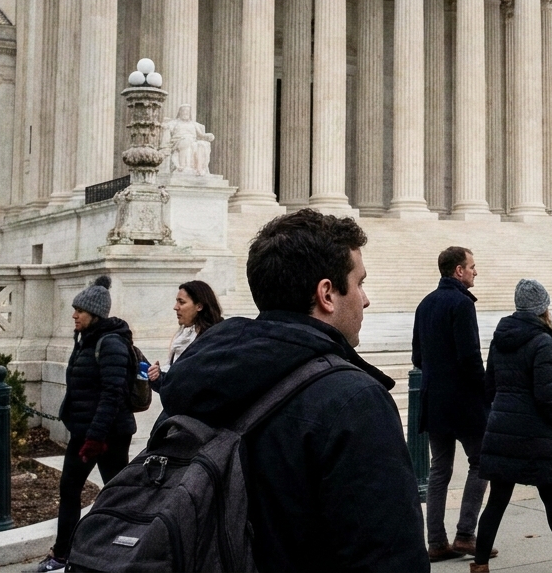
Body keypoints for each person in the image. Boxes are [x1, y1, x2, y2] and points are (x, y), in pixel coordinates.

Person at [158, 209, 428, 571]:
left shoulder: (198, 377)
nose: (365, 299)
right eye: (360, 282)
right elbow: (390, 557)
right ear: (327, 294)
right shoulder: (353, 400)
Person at [471, 280, 552, 573]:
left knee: (497, 499)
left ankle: (479, 566)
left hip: (502, 425)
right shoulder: (542, 341)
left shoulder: (500, 337)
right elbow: (546, 395)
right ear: (542, 308)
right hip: (534, 430)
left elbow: (489, 386)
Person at [38, 276, 137, 572]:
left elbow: (113, 393)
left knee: (118, 495)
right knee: (70, 490)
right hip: (85, 432)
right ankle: (62, 553)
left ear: (94, 313)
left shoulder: (111, 343)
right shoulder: (86, 341)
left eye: (79, 310)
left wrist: (96, 437)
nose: (74, 314)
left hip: (109, 435)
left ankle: (130, 548)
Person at [413, 246, 493, 562]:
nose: (476, 271)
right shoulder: (461, 304)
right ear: (458, 271)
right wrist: (487, 392)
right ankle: (464, 535)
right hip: (464, 402)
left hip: (435, 401)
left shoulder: (425, 305)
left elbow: (417, 357)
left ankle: (435, 542)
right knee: (481, 461)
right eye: (472, 266)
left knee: (439, 470)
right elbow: (470, 358)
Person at [147, 279, 223, 391]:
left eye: (181, 302)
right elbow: (175, 386)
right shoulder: (181, 336)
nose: (175, 307)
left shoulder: (216, 338)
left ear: (199, 306)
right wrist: (157, 377)